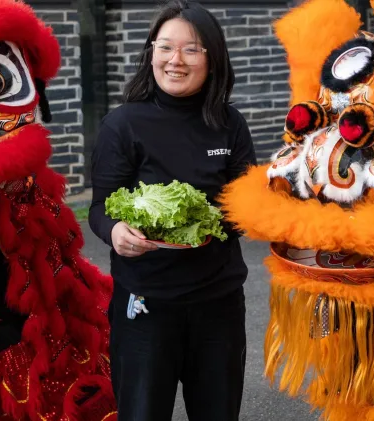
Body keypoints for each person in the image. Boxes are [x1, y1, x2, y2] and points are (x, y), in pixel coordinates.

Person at [87, 1, 257, 420]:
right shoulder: (122, 124)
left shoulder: (229, 123)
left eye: (191, 49)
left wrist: (244, 215)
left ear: (212, 59)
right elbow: (99, 207)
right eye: (165, 47)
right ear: (151, 53)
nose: (175, 60)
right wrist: (116, 232)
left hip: (217, 301)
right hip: (146, 303)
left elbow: (245, 202)